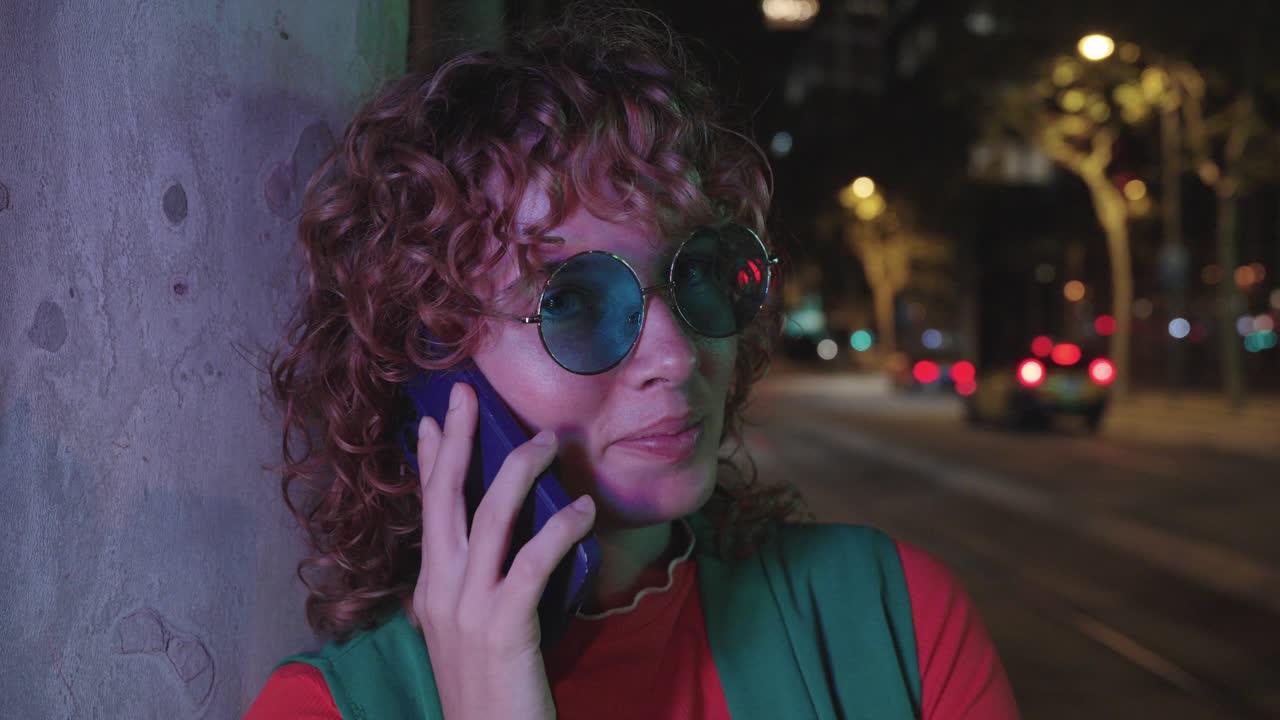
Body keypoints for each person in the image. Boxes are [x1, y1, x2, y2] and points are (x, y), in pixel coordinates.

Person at [247, 6, 1020, 719]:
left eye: (699, 274)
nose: (678, 353)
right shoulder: (323, 710)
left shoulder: (892, 622)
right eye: (573, 304)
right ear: (428, 360)